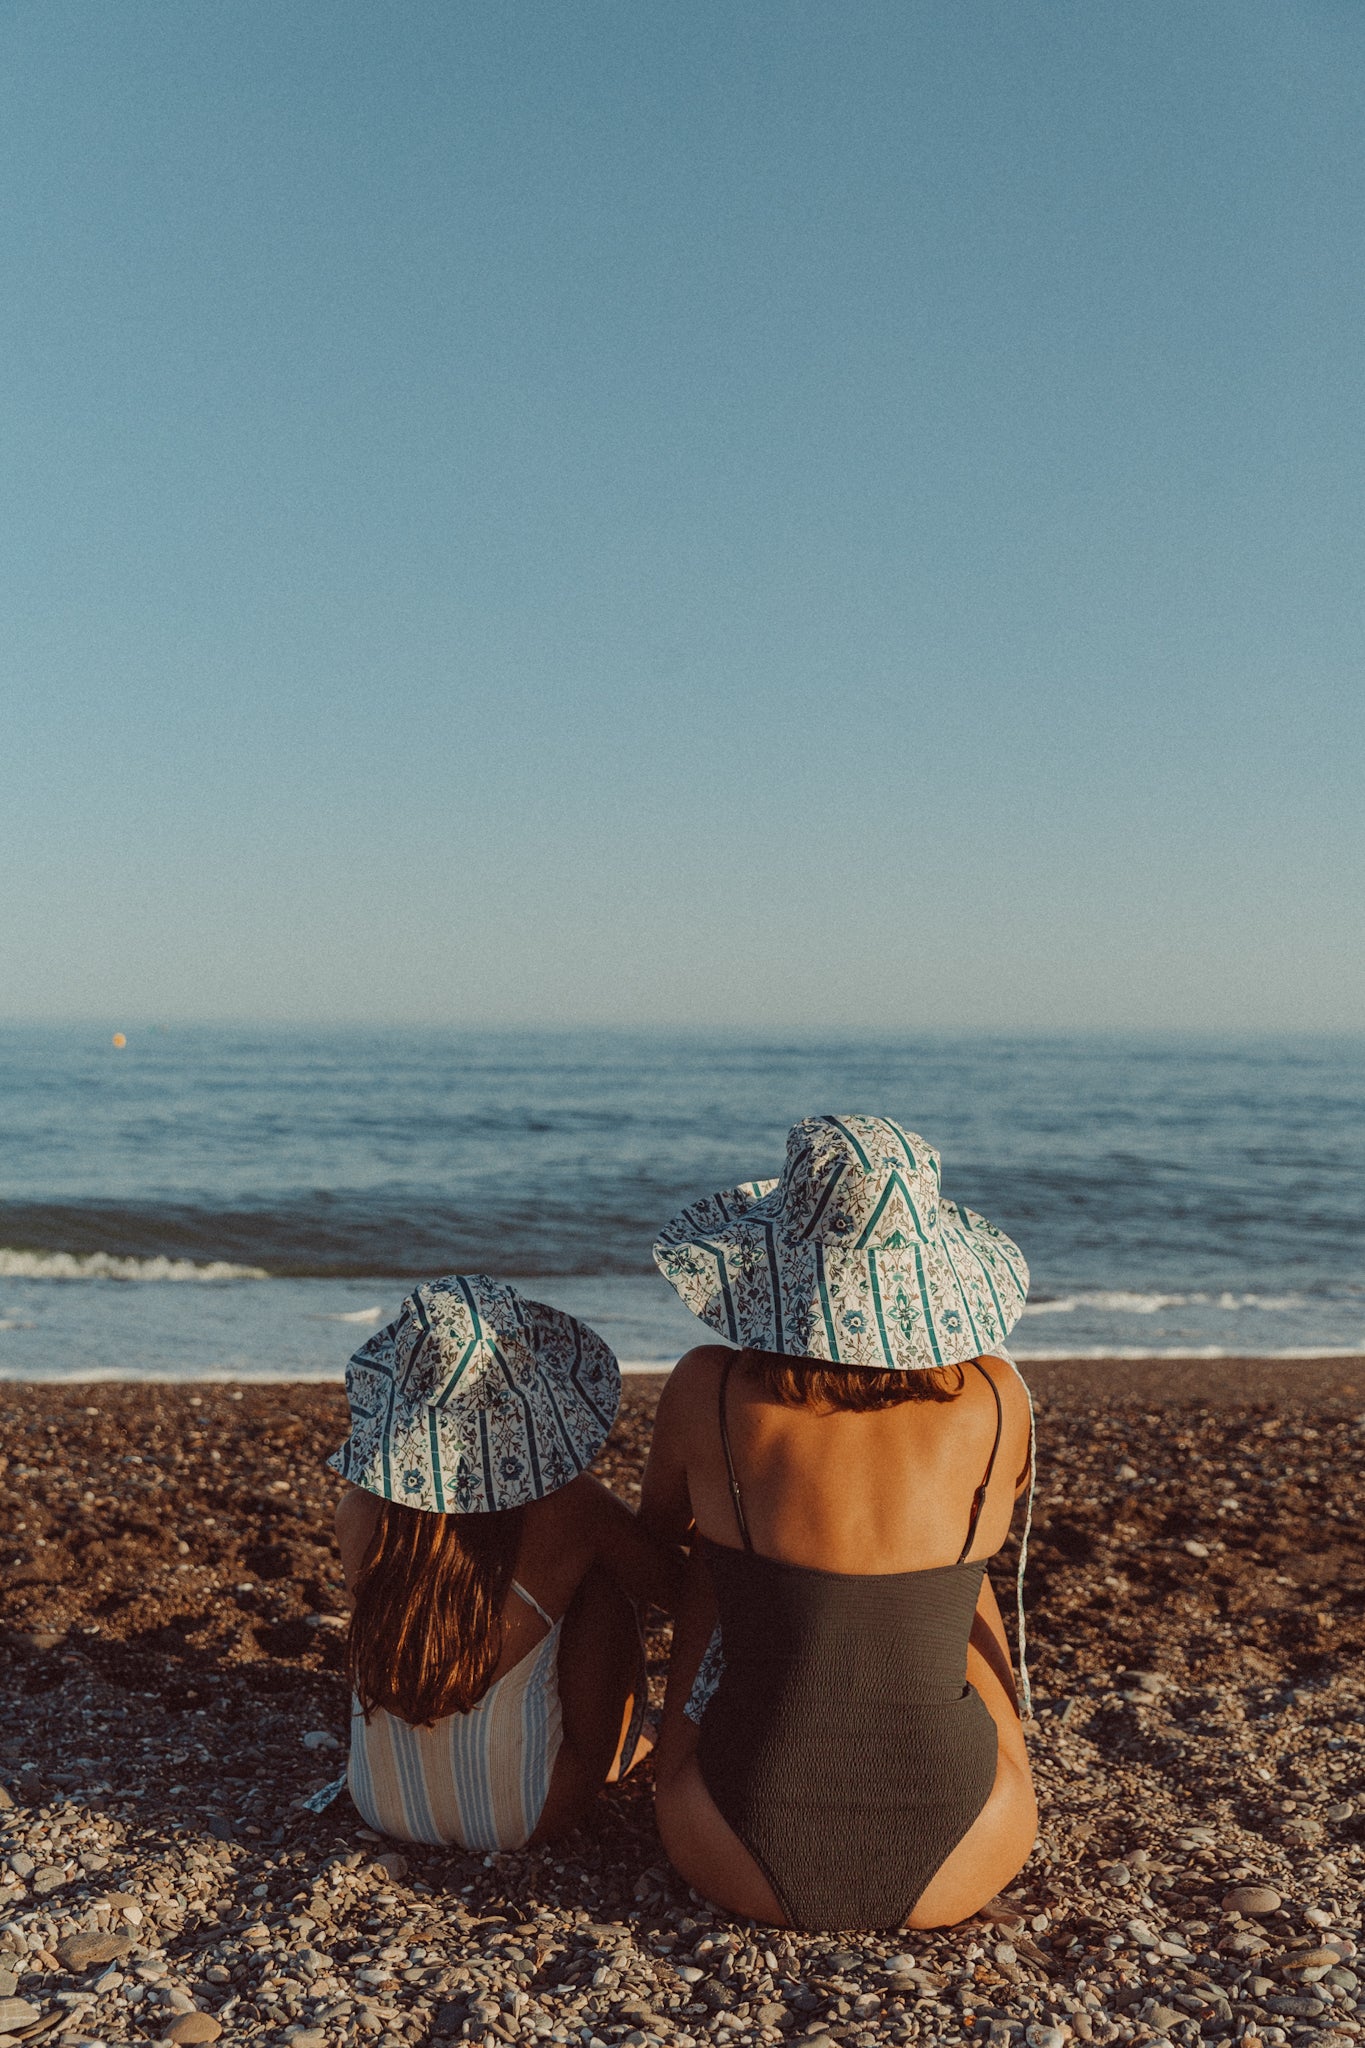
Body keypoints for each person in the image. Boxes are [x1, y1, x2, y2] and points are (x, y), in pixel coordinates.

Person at [640, 1114, 1037, 1931]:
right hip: (971, 1855)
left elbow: (655, 1541)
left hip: (727, 1844)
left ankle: (672, 1759)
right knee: (960, 1581)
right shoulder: (996, 1394)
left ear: (777, 1259)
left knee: (713, 1568)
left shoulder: (708, 1387)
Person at [328, 1274, 681, 1851]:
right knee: (604, 1584)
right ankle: (618, 1751)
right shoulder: (569, 1508)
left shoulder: (360, 1511)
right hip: (520, 1818)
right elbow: (677, 1588)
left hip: (380, 1802)